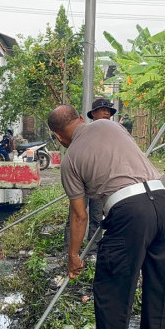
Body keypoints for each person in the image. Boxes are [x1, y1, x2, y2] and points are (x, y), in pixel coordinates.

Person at [48, 105, 165, 329]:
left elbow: (79, 214)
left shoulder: (70, 159)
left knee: (112, 288)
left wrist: (73, 255)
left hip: (130, 213)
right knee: (160, 285)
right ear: (81, 119)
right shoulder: (110, 126)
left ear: (58, 136)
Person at [62, 98, 117, 255]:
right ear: (93, 113)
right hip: (82, 179)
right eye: (103, 110)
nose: (107, 112)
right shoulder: (84, 131)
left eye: (109, 111)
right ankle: (69, 251)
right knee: (76, 214)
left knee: (97, 216)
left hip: (100, 181)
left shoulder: (113, 132)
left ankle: (92, 251)